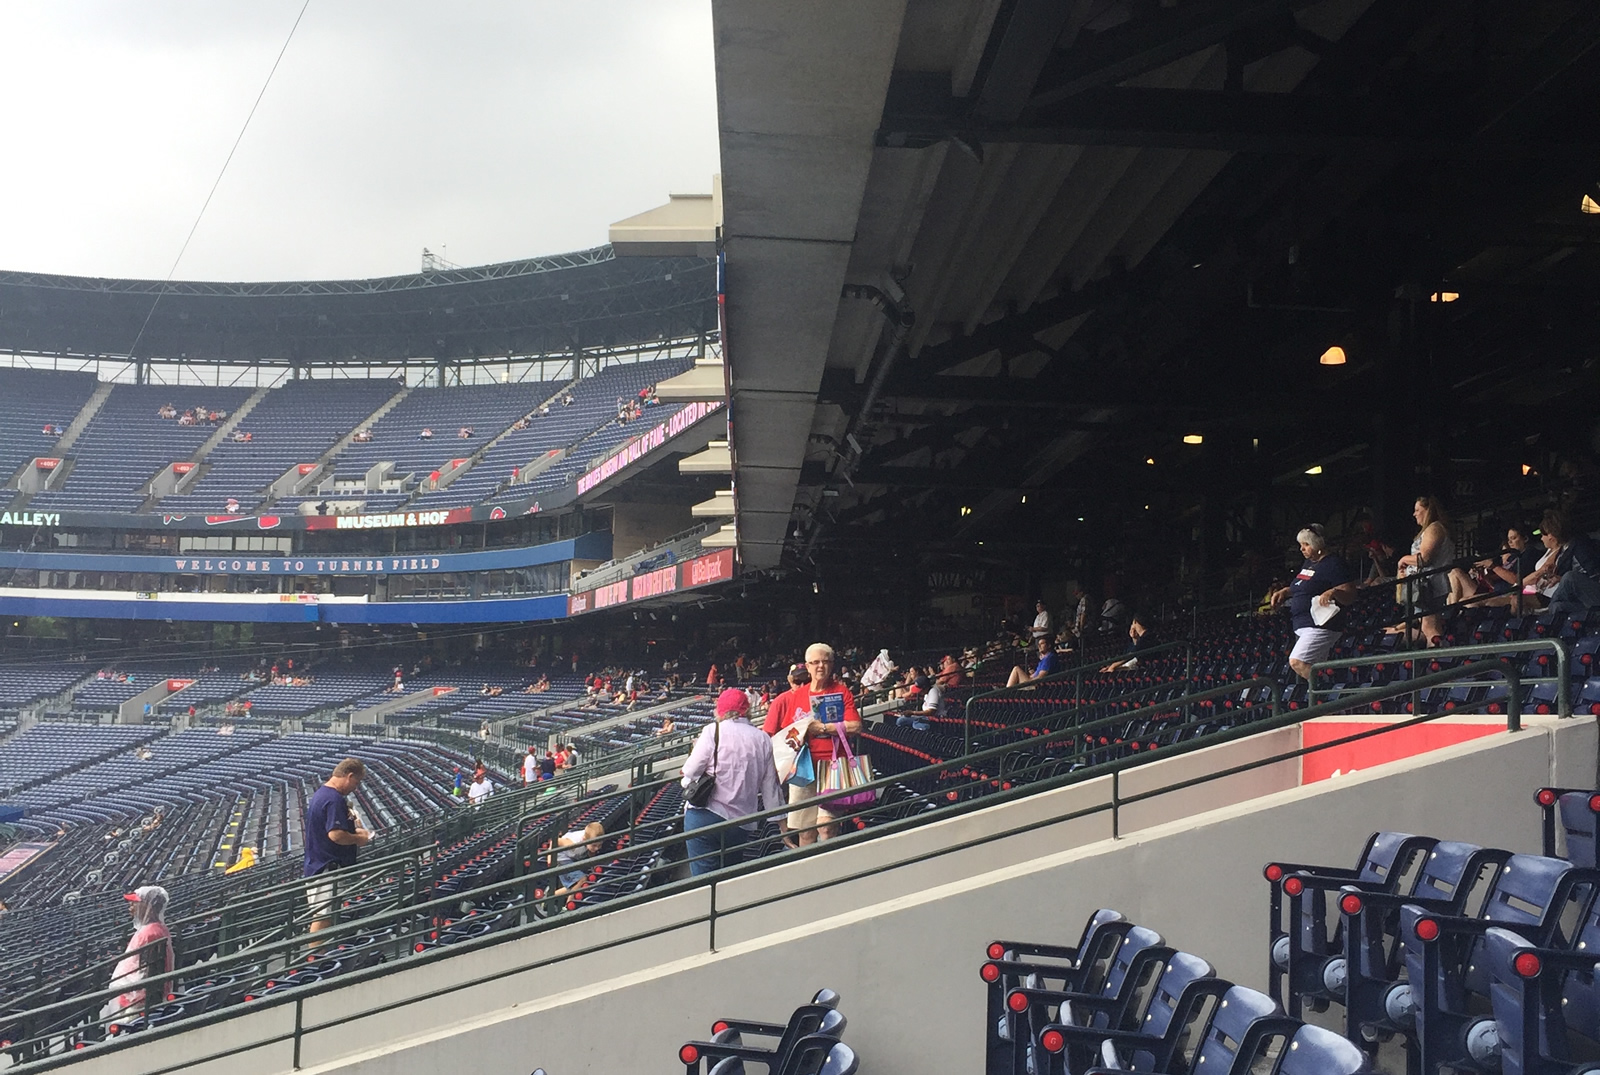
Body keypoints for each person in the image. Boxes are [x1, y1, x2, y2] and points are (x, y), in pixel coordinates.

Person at [680, 689, 786, 876]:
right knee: (729, 878)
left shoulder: (713, 730)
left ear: (721, 711)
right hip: (741, 822)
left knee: (703, 880)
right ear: (747, 710)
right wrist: (782, 825)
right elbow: (771, 788)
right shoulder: (762, 738)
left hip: (706, 815)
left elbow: (690, 770)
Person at [781, 643, 862, 845]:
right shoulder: (797, 696)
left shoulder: (842, 692)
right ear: (807, 666)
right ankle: (807, 872)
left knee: (826, 827)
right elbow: (787, 732)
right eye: (815, 662)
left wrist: (824, 728)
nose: (820, 666)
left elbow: (855, 726)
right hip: (803, 770)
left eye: (825, 662)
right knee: (805, 832)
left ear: (832, 665)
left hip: (833, 768)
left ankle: (829, 870)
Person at [1268, 526, 1359, 680]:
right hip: (1301, 625)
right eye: (1301, 545)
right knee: (1315, 665)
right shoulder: (1308, 564)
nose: (1302, 549)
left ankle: (1326, 688)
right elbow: (1303, 585)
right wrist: (1286, 591)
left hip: (1320, 625)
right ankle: (1321, 696)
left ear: (1318, 544)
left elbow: (1350, 594)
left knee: (1297, 661)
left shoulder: (1333, 563)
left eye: (1306, 544)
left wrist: (1333, 592)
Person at [303, 758, 371, 933]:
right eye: (356, 782)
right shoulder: (334, 799)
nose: (356, 787)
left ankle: (320, 956)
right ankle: (315, 959)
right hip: (327, 868)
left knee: (326, 916)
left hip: (320, 864)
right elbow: (336, 835)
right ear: (349, 776)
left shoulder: (323, 794)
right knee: (322, 918)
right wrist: (359, 838)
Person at [102, 885, 174, 1020]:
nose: (130, 907)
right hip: (144, 995)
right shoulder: (158, 928)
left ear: (147, 907)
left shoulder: (149, 933)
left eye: (134, 903)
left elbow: (143, 971)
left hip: (139, 999)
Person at [1394, 496, 1456, 643]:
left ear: (1428, 510)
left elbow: (1424, 558)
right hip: (1426, 585)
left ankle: (1437, 658)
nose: (1414, 514)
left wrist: (1403, 559)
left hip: (1430, 585)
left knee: (1429, 625)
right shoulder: (1434, 528)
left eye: (1417, 510)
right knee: (1426, 625)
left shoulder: (1434, 528)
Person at [1538, 510, 1600, 621]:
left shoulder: (1581, 545)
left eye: (1543, 534)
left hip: (1595, 595)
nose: (1541, 538)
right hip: (1582, 602)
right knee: (1557, 607)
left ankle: (1546, 610)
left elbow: (1594, 574)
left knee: (1570, 577)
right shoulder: (1563, 550)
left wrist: (1565, 580)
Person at [551, 822, 605, 897]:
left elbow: (591, 852)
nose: (597, 848)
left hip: (574, 857)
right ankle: (568, 906)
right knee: (582, 879)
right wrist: (550, 858)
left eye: (599, 845)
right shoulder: (574, 844)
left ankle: (549, 896)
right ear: (584, 840)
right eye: (594, 845)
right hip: (562, 857)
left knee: (578, 885)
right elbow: (556, 841)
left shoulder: (591, 840)